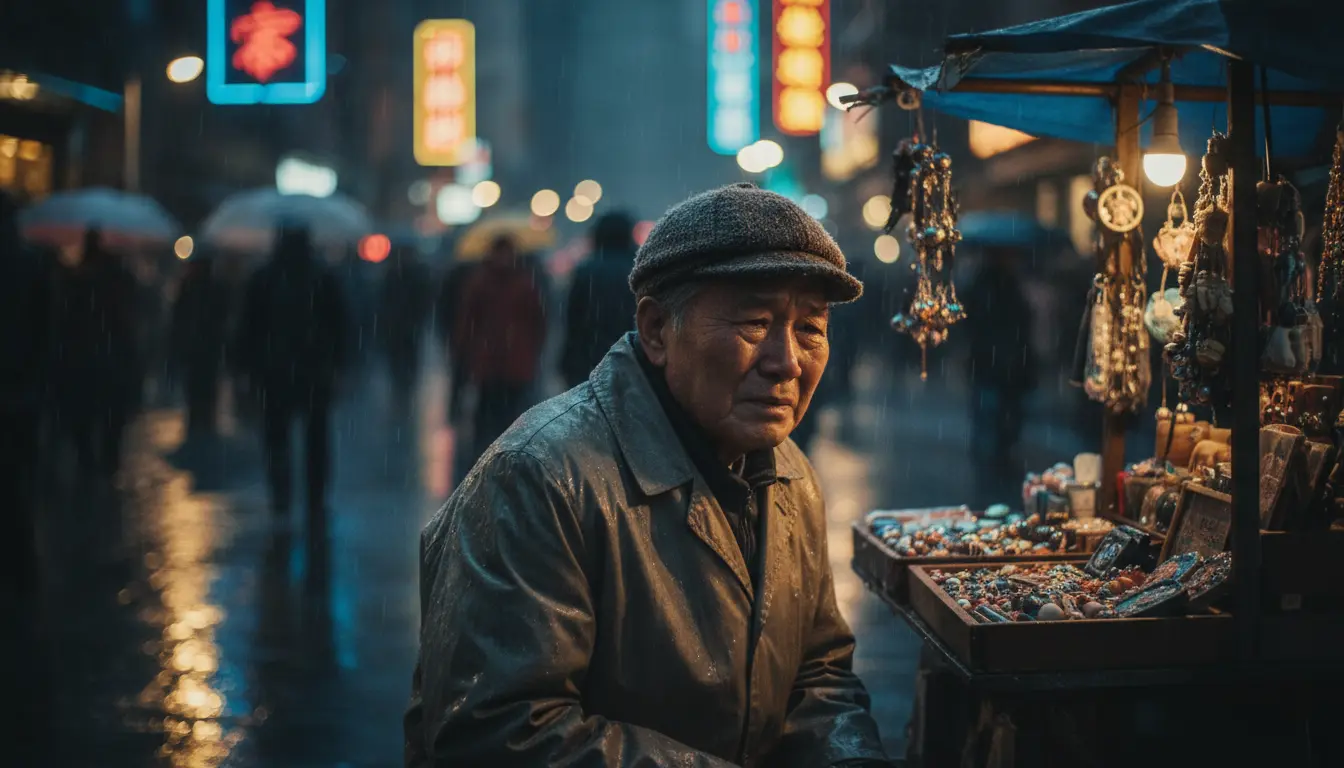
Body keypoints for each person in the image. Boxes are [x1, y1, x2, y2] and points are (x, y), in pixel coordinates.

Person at [406, 183, 889, 767]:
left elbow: (819, 675)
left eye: (811, 328)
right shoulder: (539, 478)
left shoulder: (791, 474)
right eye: (755, 321)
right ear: (658, 330)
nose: (786, 361)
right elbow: (501, 733)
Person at [233, 224, 350, 519]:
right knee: (316, 440)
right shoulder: (323, 277)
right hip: (314, 373)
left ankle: (281, 497)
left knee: (277, 438)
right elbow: (341, 326)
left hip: (275, 374)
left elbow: (248, 329)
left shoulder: (263, 277)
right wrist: (339, 364)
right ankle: (315, 498)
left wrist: (243, 370)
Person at [452, 234, 546, 466]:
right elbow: (468, 321)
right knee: (490, 411)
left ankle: (498, 456)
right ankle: (492, 456)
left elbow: (537, 321)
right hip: (494, 360)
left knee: (503, 412)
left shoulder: (516, 283)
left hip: (509, 361)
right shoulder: (487, 282)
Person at [58, 228, 140, 478]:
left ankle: (90, 464)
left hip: (84, 359)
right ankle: (107, 463)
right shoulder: (119, 279)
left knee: (84, 417)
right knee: (111, 419)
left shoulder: (76, 280)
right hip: (109, 358)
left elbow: (65, 322)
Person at [963, 246, 1037, 507]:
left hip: (997, 364)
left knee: (994, 415)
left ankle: (995, 461)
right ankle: (996, 462)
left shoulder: (986, 286)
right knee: (997, 415)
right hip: (999, 364)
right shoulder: (1001, 287)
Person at [561, 210, 639, 388]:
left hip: (588, 356)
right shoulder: (637, 269)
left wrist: (568, 360)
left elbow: (573, 318)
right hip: (629, 356)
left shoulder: (586, 271)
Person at [169, 253, 232, 440]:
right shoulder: (213, 287)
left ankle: (199, 417)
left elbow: (178, 318)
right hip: (204, 346)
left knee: (198, 384)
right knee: (203, 384)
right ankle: (203, 417)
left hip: (199, 346)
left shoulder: (191, 286)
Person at [377, 243, 432, 416]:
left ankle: (403, 386)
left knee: (401, 357)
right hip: (405, 324)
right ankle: (404, 385)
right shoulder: (411, 274)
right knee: (405, 356)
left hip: (401, 324)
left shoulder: (393, 274)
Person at [433, 254, 478, 425]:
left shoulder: (456, 276)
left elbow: (443, 308)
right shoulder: (476, 280)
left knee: (460, 376)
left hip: (462, 337)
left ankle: (456, 412)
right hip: (467, 338)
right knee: (465, 377)